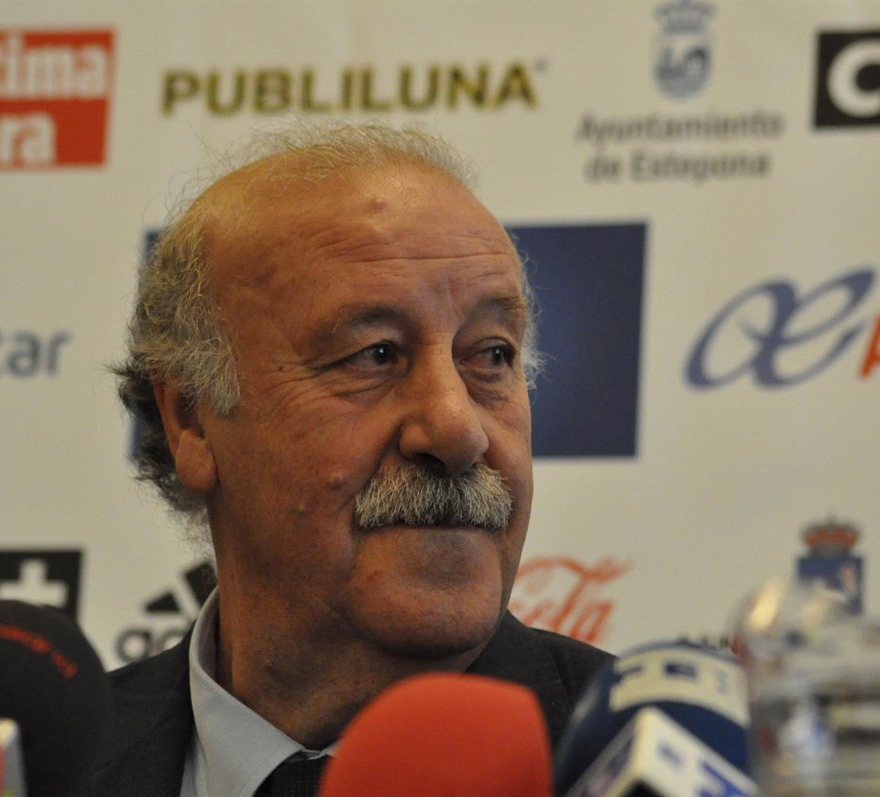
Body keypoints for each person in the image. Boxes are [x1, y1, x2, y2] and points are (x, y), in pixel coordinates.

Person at [93, 121, 612, 796]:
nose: (458, 429)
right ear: (191, 419)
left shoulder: (637, 761)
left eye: (491, 355)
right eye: (374, 355)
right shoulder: (41, 768)